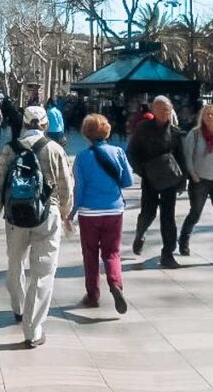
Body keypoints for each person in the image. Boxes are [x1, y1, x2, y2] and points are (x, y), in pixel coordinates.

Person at [0, 105, 73, 349]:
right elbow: (66, 186)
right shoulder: (55, 149)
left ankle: (18, 307)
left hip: (15, 217)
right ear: (45, 125)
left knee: (15, 263)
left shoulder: (9, 149)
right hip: (47, 215)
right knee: (42, 271)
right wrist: (65, 213)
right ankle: (33, 331)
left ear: (23, 124)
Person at [69, 113, 132, 313]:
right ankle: (115, 284)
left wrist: (72, 212)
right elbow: (127, 181)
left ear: (86, 134)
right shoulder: (118, 152)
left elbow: (78, 188)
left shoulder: (82, 157)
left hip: (89, 213)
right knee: (112, 252)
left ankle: (93, 294)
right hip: (114, 210)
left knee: (90, 253)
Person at [126, 95, 187, 269]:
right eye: (160, 109)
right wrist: (142, 170)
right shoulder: (142, 128)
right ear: (153, 110)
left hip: (169, 179)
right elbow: (131, 152)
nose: (164, 113)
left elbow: (181, 158)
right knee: (149, 212)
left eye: (167, 110)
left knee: (168, 217)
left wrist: (183, 180)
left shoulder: (175, 132)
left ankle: (168, 253)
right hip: (150, 178)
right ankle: (140, 232)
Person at [179, 104, 213, 268]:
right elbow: (187, 157)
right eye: (207, 114)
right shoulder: (194, 135)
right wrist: (193, 175)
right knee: (195, 214)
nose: (211, 117)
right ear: (202, 116)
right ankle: (184, 238)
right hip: (199, 180)